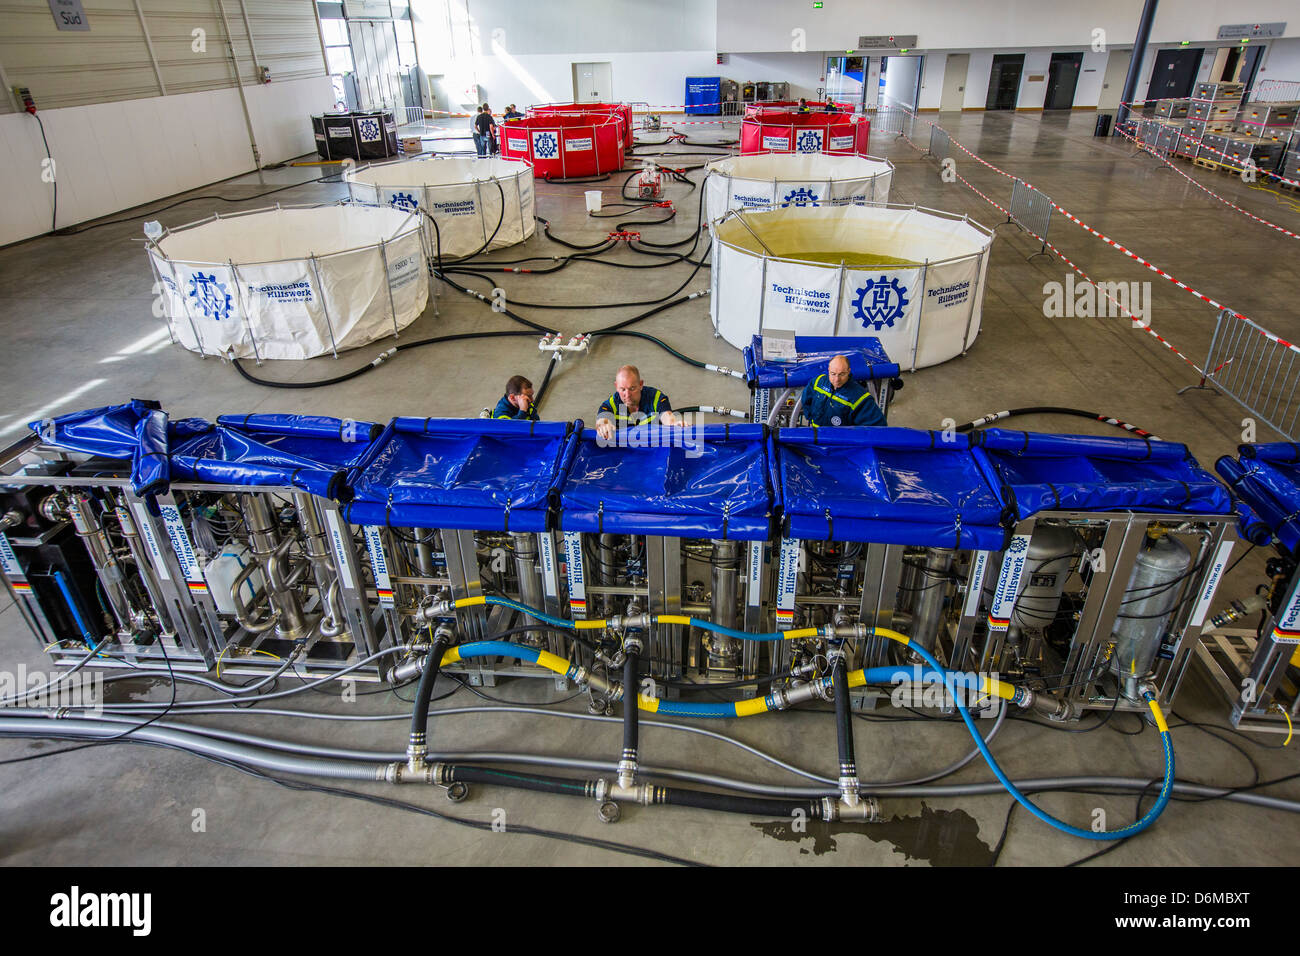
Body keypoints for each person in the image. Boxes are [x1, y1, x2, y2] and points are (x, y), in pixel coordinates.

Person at [594, 365, 680, 440]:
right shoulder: (612, 403)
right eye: (622, 389)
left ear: (641, 384)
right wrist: (603, 425)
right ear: (616, 386)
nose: (627, 395)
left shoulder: (656, 397)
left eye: (632, 388)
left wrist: (673, 423)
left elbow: (666, 415)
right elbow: (603, 417)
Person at [800, 354, 886, 427]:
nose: (837, 379)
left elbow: (877, 427)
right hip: (816, 437)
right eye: (833, 374)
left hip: (839, 444)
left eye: (842, 374)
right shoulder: (818, 382)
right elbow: (806, 401)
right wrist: (811, 419)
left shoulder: (860, 398)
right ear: (828, 370)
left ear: (849, 371)